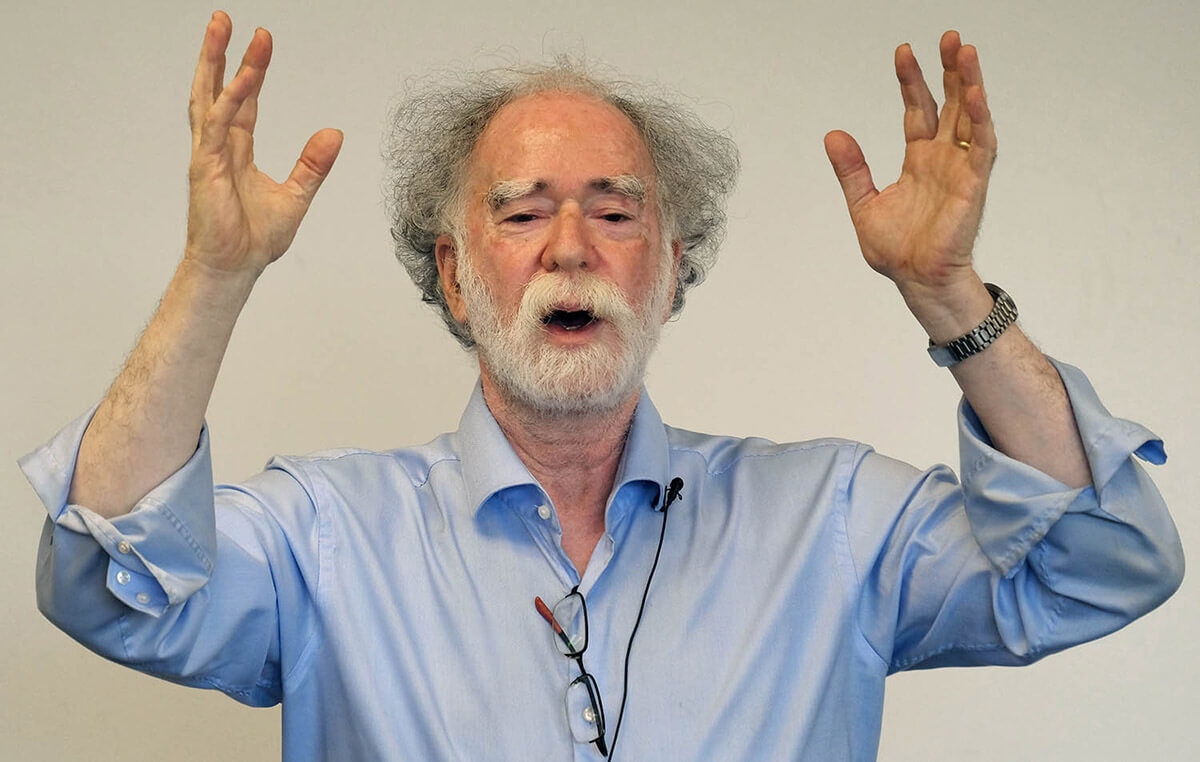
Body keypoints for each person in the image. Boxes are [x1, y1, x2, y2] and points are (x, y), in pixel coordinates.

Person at [19, 10, 1183, 761]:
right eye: (522, 213)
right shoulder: (326, 537)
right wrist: (216, 274)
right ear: (455, 274)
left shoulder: (833, 521)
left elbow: (1104, 563)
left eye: (616, 214)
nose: (569, 248)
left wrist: (948, 292)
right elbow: (107, 582)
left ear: (671, 269)